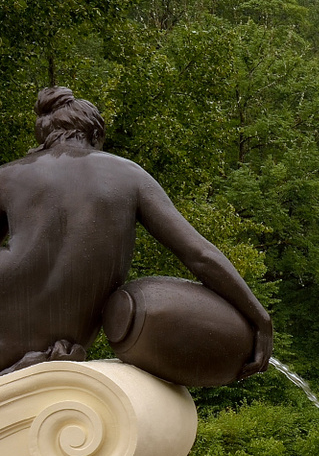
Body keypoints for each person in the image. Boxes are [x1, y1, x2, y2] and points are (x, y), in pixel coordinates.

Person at [0, 88, 273, 378]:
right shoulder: (128, 176)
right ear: (94, 133)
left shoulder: (8, 175)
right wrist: (259, 316)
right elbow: (199, 255)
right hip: (60, 344)